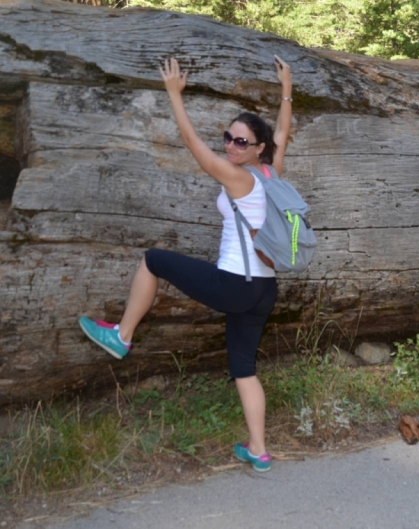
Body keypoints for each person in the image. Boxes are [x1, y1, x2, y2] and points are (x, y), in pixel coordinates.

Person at [78, 55, 294, 472]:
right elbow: (283, 132)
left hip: (236, 283)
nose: (231, 146)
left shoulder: (241, 176)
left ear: (257, 149)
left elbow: (196, 147)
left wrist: (175, 96)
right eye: (228, 138)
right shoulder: (272, 172)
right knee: (244, 368)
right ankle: (259, 451)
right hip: (264, 289)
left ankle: (122, 335)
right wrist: (286, 89)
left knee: (154, 260)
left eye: (241, 142)